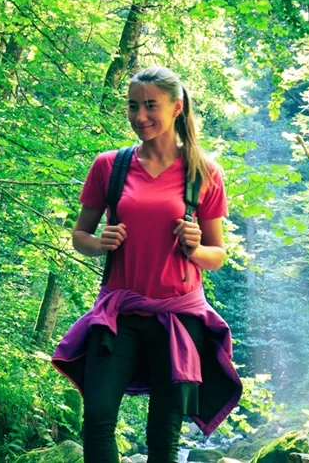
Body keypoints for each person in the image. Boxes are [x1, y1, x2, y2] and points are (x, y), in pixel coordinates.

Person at [52, 67, 242, 463]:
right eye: (133, 106)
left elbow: (217, 255)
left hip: (179, 317)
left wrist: (194, 248)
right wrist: (99, 242)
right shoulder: (110, 166)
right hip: (118, 313)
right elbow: (80, 237)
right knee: (99, 416)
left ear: (177, 107)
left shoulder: (203, 172)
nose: (140, 116)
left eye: (150, 106)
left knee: (163, 432)